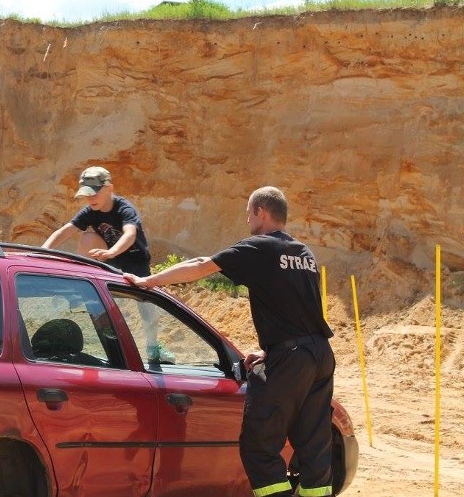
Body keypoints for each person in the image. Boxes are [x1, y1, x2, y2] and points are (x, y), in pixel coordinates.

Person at [124, 186, 335, 497]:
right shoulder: (304, 253)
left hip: (292, 356)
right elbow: (296, 308)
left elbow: (201, 264)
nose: (246, 218)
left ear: (262, 212)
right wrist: (271, 351)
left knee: (258, 444)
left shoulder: (259, 247)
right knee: (314, 444)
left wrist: (148, 281)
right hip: (319, 354)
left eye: (248, 212)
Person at [41, 166, 172, 363]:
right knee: (87, 237)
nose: (90, 198)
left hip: (135, 261)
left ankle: (153, 348)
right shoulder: (89, 212)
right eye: (87, 194)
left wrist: (112, 252)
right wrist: (43, 251)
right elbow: (64, 232)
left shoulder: (124, 208)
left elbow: (130, 234)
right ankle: (83, 284)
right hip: (109, 259)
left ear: (109, 188)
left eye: (94, 193)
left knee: (147, 309)